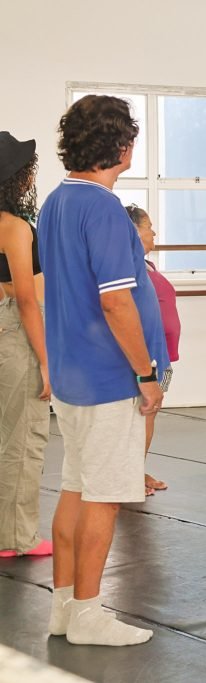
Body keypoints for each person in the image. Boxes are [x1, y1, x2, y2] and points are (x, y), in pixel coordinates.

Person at [38, 95, 169, 646]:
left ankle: (66, 608)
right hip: (108, 378)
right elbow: (117, 303)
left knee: (76, 488)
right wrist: (146, 374)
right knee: (104, 496)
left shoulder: (54, 203)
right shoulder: (105, 211)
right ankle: (89, 614)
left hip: (71, 376)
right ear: (122, 146)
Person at [0, 133, 51, 558]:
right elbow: (28, 300)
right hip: (12, 335)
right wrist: (47, 362)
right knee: (21, 435)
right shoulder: (14, 227)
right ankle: (15, 536)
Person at [126, 204, 181, 496]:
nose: (154, 231)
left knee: (149, 415)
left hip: (160, 354)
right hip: (145, 358)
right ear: (134, 231)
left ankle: (137, 469)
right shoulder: (126, 266)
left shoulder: (147, 265)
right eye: (148, 226)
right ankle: (130, 476)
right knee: (142, 416)